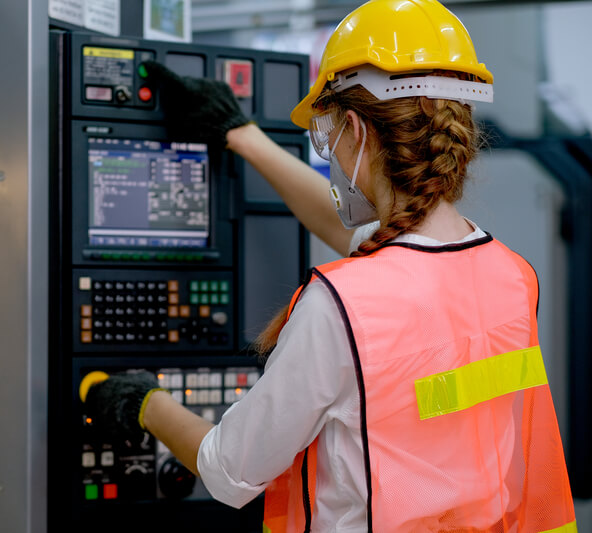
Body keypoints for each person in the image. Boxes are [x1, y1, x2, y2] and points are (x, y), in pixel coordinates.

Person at [81, 0, 577, 530]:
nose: (333, 154)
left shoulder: (340, 307)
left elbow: (227, 469)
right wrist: (240, 135)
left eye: (330, 134)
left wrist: (142, 401)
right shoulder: (510, 274)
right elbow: (367, 239)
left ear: (356, 129)